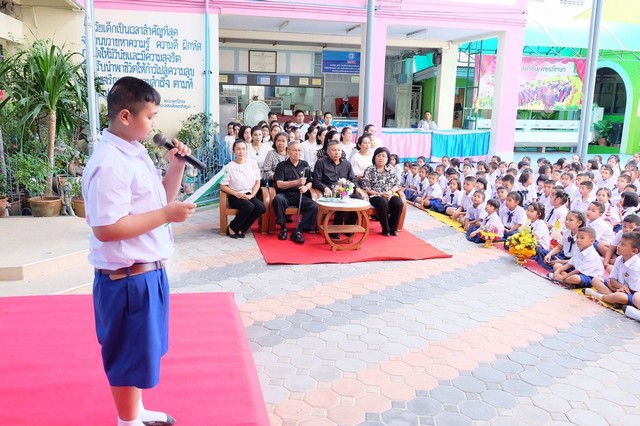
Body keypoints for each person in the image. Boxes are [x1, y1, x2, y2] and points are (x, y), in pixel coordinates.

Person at [82, 76, 196, 426]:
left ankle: (136, 411)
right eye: (150, 117)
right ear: (126, 116)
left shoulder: (133, 151)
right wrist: (166, 216)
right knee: (126, 354)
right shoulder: (110, 163)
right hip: (126, 278)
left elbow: (159, 201)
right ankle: (127, 421)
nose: (154, 125)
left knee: (141, 350)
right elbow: (106, 228)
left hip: (145, 273)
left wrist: (176, 166)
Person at [312, 140, 364, 238]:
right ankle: (335, 228)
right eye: (334, 150)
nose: (337, 153)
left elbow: (352, 179)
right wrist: (325, 188)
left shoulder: (346, 164)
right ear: (328, 151)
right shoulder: (321, 162)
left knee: (359, 199)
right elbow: (316, 180)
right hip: (329, 192)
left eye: (339, 150)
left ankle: (349, 226)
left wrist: (357, 188)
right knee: (340, 200)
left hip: (344, 191)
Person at [585, 232, 640, 322]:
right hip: (618, 287)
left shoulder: (636, 266)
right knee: (595, 280)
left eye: (623, 245)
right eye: (619, 243)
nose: (618, 246)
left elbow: (633, 290)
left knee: (620, 297)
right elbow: (612, 279)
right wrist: (619, 286)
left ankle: (600, 296)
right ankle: (612, 298)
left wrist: (620, 288)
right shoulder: (619, 259)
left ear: (634, 251)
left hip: (630, 293)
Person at [272, 140, 317, 244]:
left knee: (313, 206)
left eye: (299, 150)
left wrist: (306, 187)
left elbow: (310, 181)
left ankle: (298, 230)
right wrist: (296, 182)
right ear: (288, 151)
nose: (297, 153)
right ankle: (283, 228)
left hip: (300, 194)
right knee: (278, 199)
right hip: (285, 194)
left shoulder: (305, 164)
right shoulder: (281, 165)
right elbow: (279, 184)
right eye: (295, 150)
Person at [220, 140, 266, 238]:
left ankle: (242, 228)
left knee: (261, 207)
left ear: (246, 150)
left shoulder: (252, 163)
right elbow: (223, 186)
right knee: (249, 206)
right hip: (235, 196)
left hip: (249, 194)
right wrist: (236, 194)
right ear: (233, 151)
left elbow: (257, 182)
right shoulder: (229, 167)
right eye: (238, 149)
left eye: (243, 149)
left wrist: (252, 195)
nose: (241, 151)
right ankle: (232, 227)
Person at [361, 147, 404, 236]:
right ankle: (386, 228)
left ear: (387, 158)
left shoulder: (391, 169)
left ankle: (393, 228)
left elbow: (398, 185)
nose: (381, 158)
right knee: (382, 202)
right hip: (375, 196)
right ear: (374, 157)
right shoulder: (369, 170)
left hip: (389, 194)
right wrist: (380, 194)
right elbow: (366, 188)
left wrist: (390, 192)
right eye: (378, 156)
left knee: (398, 202)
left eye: (384, 156)